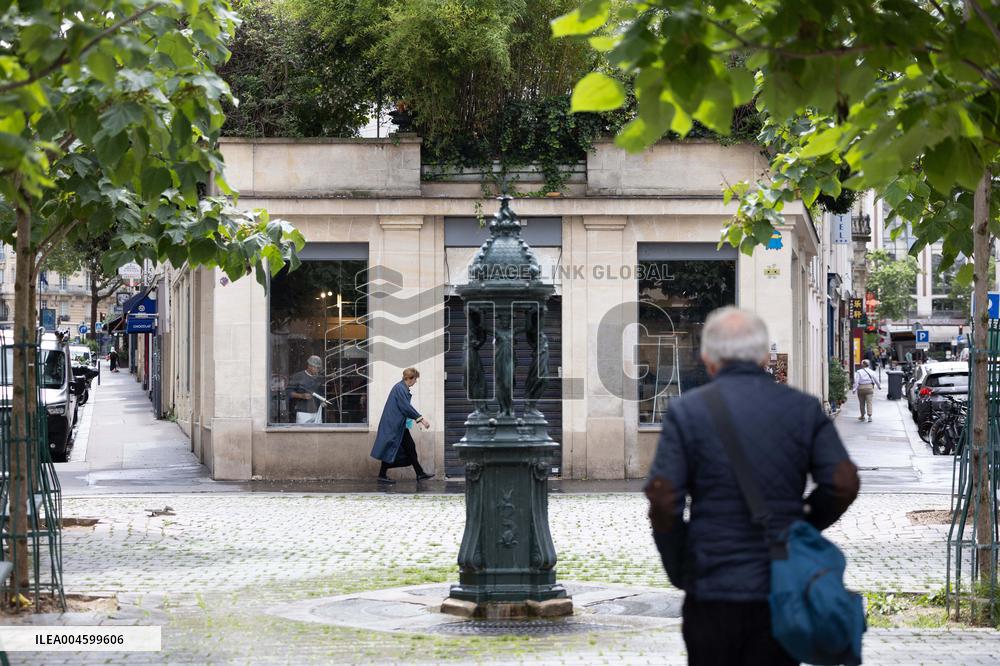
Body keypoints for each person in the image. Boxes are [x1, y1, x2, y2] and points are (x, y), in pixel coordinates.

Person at [644, 307, 859, 666]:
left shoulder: (687, 412)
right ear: (763, 357)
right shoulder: (803, 409)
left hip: (712, 586)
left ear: (707, 357)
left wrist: (680, 563)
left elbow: (664, 498)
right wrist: (804, 523)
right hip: (782, 587)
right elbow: (843, 481)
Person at [370, 368, 433, 484]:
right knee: (396, 449)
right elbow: (405, 407)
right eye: (415, 379)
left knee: (409, 448)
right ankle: (383, 474)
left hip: (398, 425)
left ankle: (419, 473)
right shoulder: (400, 388)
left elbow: (404, 408)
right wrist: (421, 419)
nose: (416, 381)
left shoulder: (401, 388)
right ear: (410, 379)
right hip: (394, 425)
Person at [287, 355, 326, 424]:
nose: (318, 370)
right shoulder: (298, 376)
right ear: (309, 366)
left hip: (317, 411)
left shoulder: (319, 378)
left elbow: (321, 392)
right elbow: (288, 392)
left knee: (317, 433)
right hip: (302, 412)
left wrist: (322, 400)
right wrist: (301, 396)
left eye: (319, 368)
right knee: (302, 432)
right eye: (316, 368)